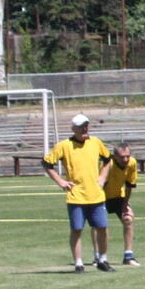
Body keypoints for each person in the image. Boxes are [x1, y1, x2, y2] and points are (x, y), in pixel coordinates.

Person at [43, 114, 114, 273]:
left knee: (102, 227)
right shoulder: (64, 145)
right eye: (81, 126)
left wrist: (102, 177)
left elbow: (108, 159)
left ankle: (102, 259)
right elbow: (47, 163)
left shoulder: (95, 142)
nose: (85, 129)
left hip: (96, 195)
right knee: (77, 229)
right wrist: (60, 181)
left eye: (87, 125)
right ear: (73, 128)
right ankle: (78, 263)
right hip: (76, 196)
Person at [104, 142, 143, 267]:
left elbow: (129, 185)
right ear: (114, 156)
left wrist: (125, 204)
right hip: (101, 197)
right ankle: (98, 257)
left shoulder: (132, 163)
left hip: (118, 197)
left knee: (128, 219)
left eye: (127, 156)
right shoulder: (107, 164)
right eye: (122, 157)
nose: (125, 159)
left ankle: (128, 256)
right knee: (99, 225)